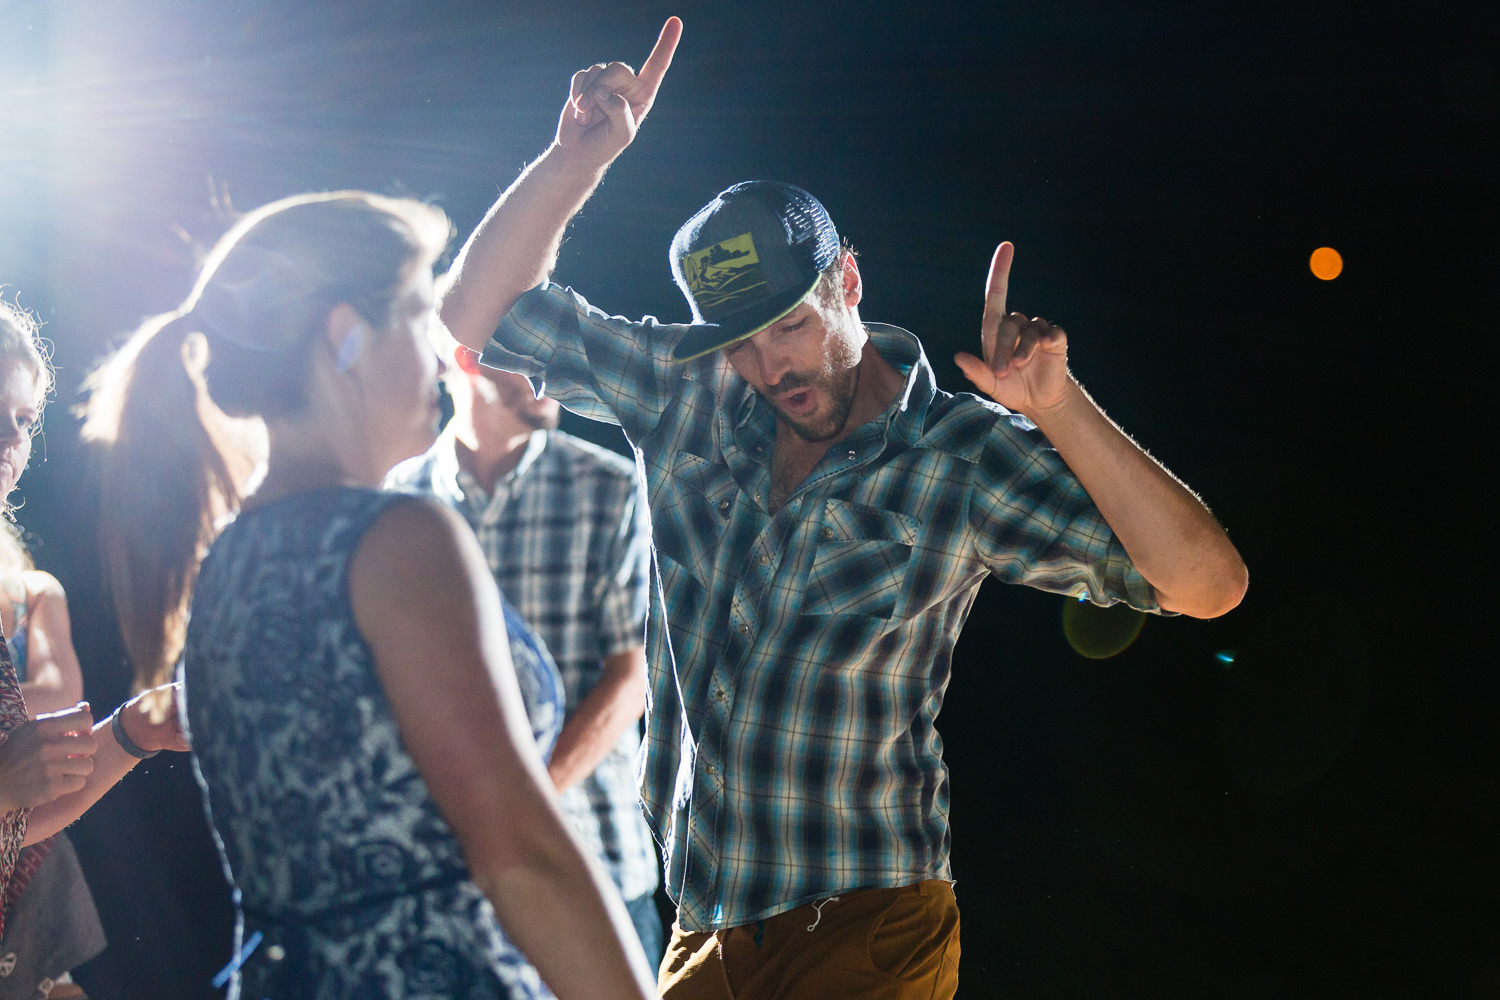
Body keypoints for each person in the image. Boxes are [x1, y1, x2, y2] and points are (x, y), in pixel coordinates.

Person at [435, 16, 1248, 999]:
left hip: (867, 918)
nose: (771, 368)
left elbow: (1208, 583)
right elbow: (468, 316)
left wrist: (1057, 407)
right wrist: (576, 163)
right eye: (740, 341)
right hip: (705, 923)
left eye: (790, 326)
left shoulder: (957, 455)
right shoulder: (686, 395)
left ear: (847, 280)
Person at [79, 191, 656, 1000]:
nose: (442, 354)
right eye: (423, 321)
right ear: (347, 336)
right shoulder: (400, 541)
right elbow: (522, 856)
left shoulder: (228, 562)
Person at [387, 337, 661, 967]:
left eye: (553, 357)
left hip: (597, 865)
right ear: (463, 358)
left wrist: (514, 813)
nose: (548, 376)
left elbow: (631, 677)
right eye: (525, 359)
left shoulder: (611, 487)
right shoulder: (396, 503)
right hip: (447, 887)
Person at [0, 298, 188, 999]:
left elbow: (22, 813)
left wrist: (134, 732)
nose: (8, 439)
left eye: (22, 421)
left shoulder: (25, 592)